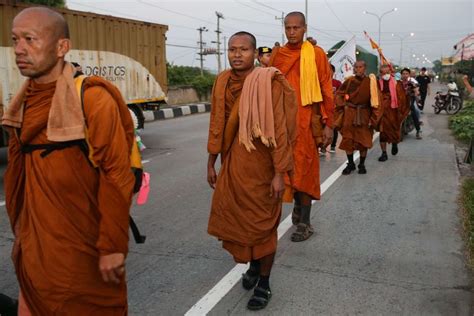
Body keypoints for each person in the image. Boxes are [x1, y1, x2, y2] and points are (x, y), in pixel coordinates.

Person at [4, 7, 135, 314]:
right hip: (35, 249)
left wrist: (113, 246)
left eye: (30, 39)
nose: (19, 49)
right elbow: (18, 180)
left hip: (84, 249)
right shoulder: (20, 105)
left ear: (61, 47)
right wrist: (23, 238)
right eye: (15, 39)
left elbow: (116, 175)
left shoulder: (92, 98)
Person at [207, 31, 297, 310]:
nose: (236, 55)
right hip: (233, 164)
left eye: (243, 49)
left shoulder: (267, 81)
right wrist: (211, 162)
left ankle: (264, 282)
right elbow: (217, 123)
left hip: (263, 166)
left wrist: (279, 172)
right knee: (239, 222)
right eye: (232, 49)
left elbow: (280, 130)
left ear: (254, 53)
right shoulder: (222, 80)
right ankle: (255, 266)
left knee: (264, 226)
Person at [269, 11, 334, 242]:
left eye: (296, 27)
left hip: (306, 124)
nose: (292, 32)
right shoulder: (279, 54)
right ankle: (295, 205)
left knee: (304, 172)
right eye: (288, 27)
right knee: (282, 170)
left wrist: (329, 124)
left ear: (305, 28)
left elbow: (326, 88)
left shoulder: (315, 54)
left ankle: (304, 223)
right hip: (281, 125)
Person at [334, 61, 381, 174]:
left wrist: (373, 118)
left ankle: (362, 164)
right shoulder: (349, 81)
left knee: (363, 140)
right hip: (349, 114)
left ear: (365, 68)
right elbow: (339, 94)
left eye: (360, 67)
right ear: (354, 69)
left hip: (364, 114)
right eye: (356, 67)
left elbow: (376, 101)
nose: (358, 69)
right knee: (348, 139)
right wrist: (343, 105)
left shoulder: (371, 82)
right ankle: (350, 163)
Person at [378, 64, 410, 162]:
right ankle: (384, 153)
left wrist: (402, 111)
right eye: (383, 73)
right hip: (382, 112)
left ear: (391, 72)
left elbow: (402, 98)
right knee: (382, 133)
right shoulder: (378, 84)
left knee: (394, 131)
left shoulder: (397, 84)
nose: (386, 74)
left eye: (387, 72)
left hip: (394, 112)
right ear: (380, 73)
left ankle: (394, 143)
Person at [401, 68, 422, 139]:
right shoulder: (398, 82)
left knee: (413, 112)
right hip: (401, 100)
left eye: (406, 74)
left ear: (409, 74)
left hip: (410, 99)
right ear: (401, 75)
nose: (405, 75)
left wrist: (416, 91)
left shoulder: (412, 81)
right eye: (403, 74)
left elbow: (416, 89)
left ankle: (418, 131)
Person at [329, 63, 342, 153]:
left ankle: (333, 146)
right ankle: (322, 147)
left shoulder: (337, 83)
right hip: (324, 109)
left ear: (333, 72)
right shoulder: (319, 82)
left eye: (330, 70)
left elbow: (342, 95)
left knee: (334, 128)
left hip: (334, 109)